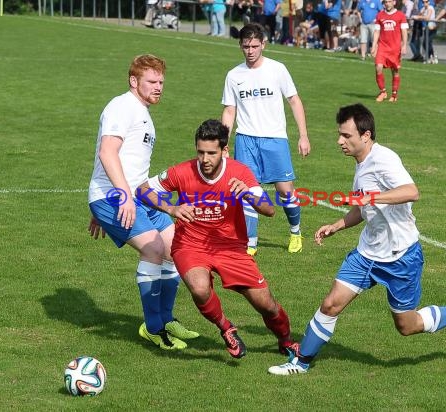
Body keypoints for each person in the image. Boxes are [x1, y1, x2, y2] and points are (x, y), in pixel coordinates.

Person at [268, 103, 446, 376]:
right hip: (366, 254)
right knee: (331, 303)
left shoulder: (384, 160)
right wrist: (336, 225)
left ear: (366, 135)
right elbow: (362, 208)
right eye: (340, 134)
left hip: (400, 257)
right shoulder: (361, 164)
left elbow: (411, 191)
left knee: (407, 326)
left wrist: (371, 197)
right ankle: (300, 362)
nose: (340, 141)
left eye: (346, 136)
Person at [136, 119, 298, 359]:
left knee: (266, 304)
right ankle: (227, 329)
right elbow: (142, 190)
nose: (205, 159)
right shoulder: (181, 172)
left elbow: (269, 210)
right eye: (200, 152)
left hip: (231, 247)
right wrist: (171, 209)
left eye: (211, 153)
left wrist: (248, 194)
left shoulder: (239, 172)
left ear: (225, 150)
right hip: (190, 244)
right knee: (200, 289)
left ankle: (286, 340)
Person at [87, 54, 199, 352]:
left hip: (135, 194)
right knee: (153, 249)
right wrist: (117, 197)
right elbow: (107, 152)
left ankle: (166, 319)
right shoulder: (122, 106)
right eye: (151, 81)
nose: (158, 87)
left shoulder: (142, 111)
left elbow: (121, 159)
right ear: (133, 81)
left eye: (161, 81)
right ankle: (153, 329)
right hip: (119, 196)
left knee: (176, 248)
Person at [221, 23, 311, 256]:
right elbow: (230, 111)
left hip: (274, 139)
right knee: (248, 191)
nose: (250, 51)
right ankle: (250, 243)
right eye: (245, 46)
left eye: (254, 46)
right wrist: (223, 142)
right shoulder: (233, 75)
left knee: (285, 191)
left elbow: (294, 100)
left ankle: (295, 231)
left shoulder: (277, 69)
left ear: (263, 44)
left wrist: (303, 136)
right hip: (246, 139)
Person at [372, 0, 408, 103]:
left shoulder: (400, 15)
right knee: (378, 67)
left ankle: (394, 94)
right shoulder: (380, 15)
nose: (387, 4)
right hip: (382, 47)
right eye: (385, 2)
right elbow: (377, 31)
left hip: (395, 48)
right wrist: (374, 45)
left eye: (389, 1)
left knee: (395, 71)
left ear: (394, 2)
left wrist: (404, 45)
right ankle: (383, 92)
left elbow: (404, 31)